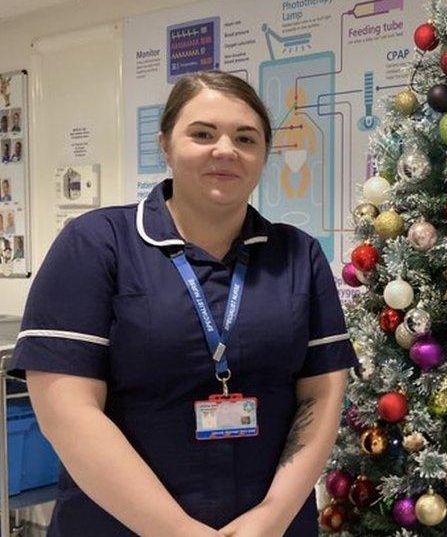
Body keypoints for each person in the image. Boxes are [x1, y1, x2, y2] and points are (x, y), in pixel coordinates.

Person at [12, 70, 358, 536]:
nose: (225, 150)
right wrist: (177, 531)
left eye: (245, 138)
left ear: (263, 156)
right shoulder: (96, 244)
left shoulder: (298, 254)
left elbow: (321, 394)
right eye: (202, 133)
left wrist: (273, 516)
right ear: (165, 144)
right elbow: (66, 410)